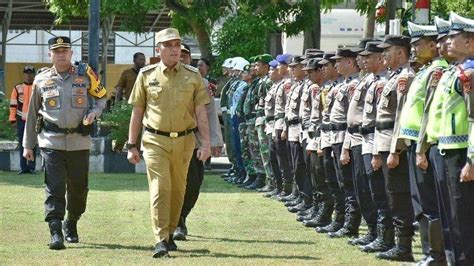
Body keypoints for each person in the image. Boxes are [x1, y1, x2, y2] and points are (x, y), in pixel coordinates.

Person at [126, 28, 211, 258]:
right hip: (155, 140)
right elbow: (137, 112)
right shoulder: (146, 75)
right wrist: (131, 145)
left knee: (177, 190)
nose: (174, 49)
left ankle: (171, 232)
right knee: (160, 188)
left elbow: (201, 112)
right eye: (168, 45)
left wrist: (206, 144)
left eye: (177, 45)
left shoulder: (193, 76)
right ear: (159, 49)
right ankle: (161, 238)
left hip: (185, 141)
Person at [23, 36, 107, 250]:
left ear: (71, 53)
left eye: (65, 50)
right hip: (51, 141)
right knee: (55, 186)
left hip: (79, 141)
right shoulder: (41, 80)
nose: (61, 54)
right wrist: (27, 145)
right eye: (56, 51)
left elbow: (102, 97)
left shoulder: (85, 75)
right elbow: (32, 113)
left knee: (79, 189)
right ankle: (55, 230)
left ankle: (72, 221)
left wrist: (94, 113)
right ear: (50, 54)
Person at [173, 45, 223, 241]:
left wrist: (214, 141)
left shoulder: (200, 82)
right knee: (171, 184)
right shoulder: (160, 79)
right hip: (169, 141)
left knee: (193, 183)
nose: (182, 58)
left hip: (194, 140)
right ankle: (175, 222)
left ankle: (182, 215)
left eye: (185, 55)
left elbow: (210, 114)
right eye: (179, 54)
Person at [9, 65, 36, 174]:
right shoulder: (17, 88)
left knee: (33, 144)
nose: (28, 75)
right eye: (26, 73)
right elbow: (13, 104)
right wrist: (12, 118)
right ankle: (23, 168)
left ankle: (32, 168)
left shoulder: (37, 87)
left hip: (34, 121)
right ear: (24, 74)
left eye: (30, 73)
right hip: (21, 120)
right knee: (22, 144)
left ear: (33, 74)